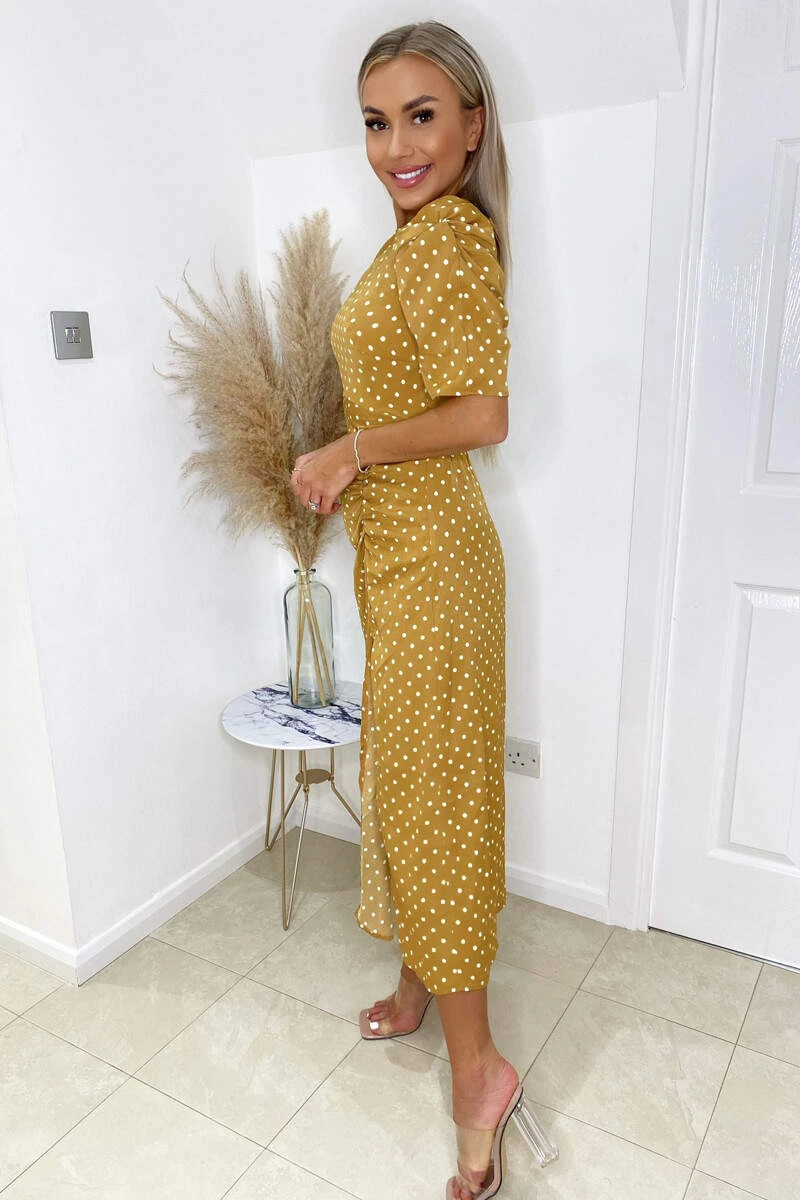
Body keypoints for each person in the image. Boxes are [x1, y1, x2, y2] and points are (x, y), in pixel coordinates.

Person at [289, 20, 538, 1199]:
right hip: (401, 562)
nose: (396, 145)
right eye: (376, 122)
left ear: (472, 124)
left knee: (432, 801)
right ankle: (415, 983)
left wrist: (348, 448)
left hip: (434, 565)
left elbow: (483, 416)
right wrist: (348, 470)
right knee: (402, 779)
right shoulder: (409, 243)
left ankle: (478, 1073)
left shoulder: (445, 238)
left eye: (422, 115)